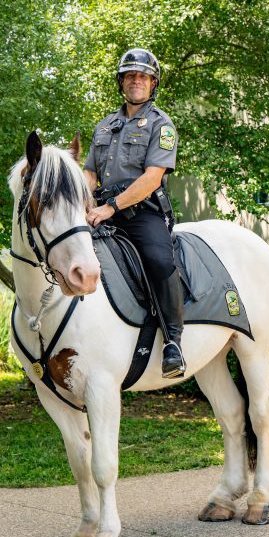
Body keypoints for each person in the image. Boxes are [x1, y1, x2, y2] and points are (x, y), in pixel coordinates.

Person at [85, 49, 186, 378]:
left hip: (143, 213)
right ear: (121, 82)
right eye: (130, 76)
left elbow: (152, 178)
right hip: (102, 211)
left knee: (159, 260)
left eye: (142, 76)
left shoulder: (162, 125)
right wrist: (85, 204)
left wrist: (110, 207)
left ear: (153, 83)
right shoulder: (104, 127)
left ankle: (173, 342)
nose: (135, 81)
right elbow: (89, 174)